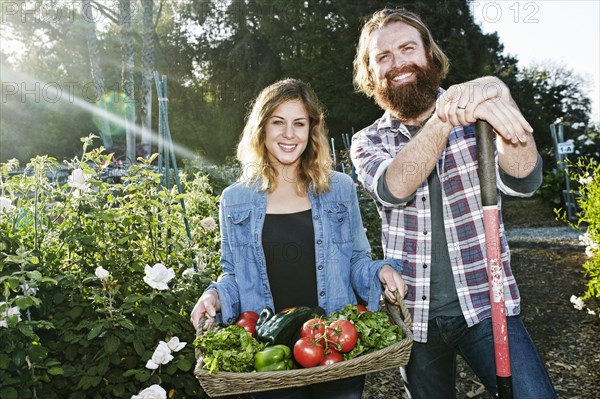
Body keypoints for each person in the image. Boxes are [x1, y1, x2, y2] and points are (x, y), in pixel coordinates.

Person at [350, 8, 557, 399]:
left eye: (407, 48)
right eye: (383, 57)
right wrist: (444, 119)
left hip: (486, 303)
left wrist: (501, 94)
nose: (397, 64)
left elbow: (522, 179)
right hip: (414, 316)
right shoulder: (368, 141)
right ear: (371, 73)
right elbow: (395, 187)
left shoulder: (477, 114)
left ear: (429, 54)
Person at [190, 78, 407, 399]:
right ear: (261, 129)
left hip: (334, 350)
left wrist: (380, 272)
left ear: (312, 130)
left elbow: (358, 261)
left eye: (299, 123)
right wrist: (214, 296)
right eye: (278, 122)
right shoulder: (234, 200)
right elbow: (233, 275)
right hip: (269, 360)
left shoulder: (340, 189)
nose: (289, 134)